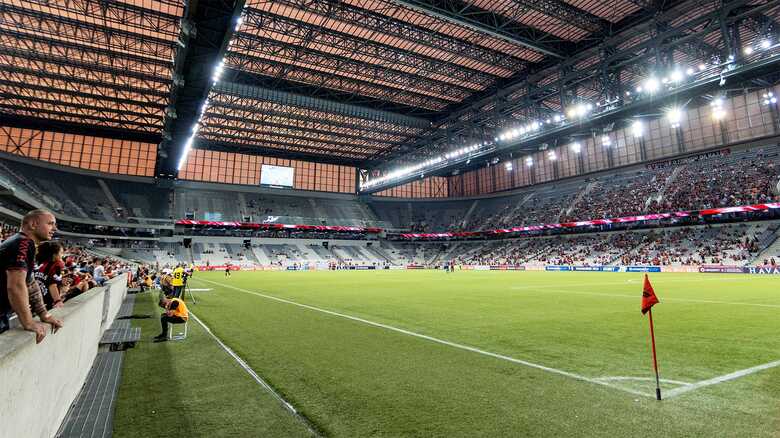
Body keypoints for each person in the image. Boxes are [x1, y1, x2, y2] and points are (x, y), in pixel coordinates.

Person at [0, 210, 63, 343]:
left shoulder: (24, 243)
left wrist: (44, 314)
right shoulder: (23, 243)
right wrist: (28, 322)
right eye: (50, 224)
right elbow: (16, 286)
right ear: (33, 224)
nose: (55, 228)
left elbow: (30, 283)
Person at [34, 240, 66, 309]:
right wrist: (58, 301)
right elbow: (52, 285)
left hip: (37, 300)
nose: (62, 255)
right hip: (47, 303)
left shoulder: (40, 263)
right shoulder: (56, 266)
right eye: (61, 253)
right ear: (54, 255)